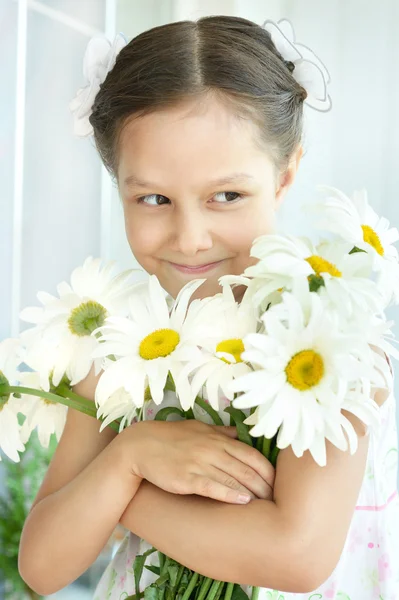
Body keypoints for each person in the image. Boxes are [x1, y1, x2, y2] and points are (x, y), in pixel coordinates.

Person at [18, 15, 399, 600]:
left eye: (226, 196)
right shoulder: (116, 353)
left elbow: (297, 556)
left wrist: (126, 486)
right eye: (153, 198)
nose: (190, 236)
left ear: (286, 174)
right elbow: (42, 568)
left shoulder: (327, 343)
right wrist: (131, 456)